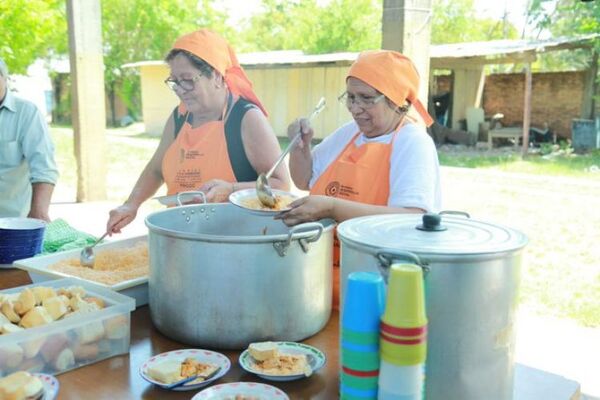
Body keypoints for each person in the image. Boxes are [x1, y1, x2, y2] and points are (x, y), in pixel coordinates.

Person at [276, 50, 442, 308]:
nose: (355, 108)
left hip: (380, 285)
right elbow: (304, 178)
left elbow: (409, 219)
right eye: (350, 97)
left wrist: (333, 208)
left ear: (396, 101)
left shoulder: (413, 142)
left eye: (366, 98)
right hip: (323, 279)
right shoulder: (349, 134)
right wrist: (300, 147)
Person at [107, 29, 289, 234]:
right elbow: (156, 169)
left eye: (188, 79)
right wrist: (131, 204)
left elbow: (280, 184)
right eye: (174, 81)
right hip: (180, 236)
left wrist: (231, 190)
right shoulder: (178, 118)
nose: (180, 89)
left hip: (235, 243)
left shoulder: (246, 118)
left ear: (217, 77)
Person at [0, 57, 59, 222]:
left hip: (11, 222)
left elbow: (43, 166)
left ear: (4, 78)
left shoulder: (26, 113)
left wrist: (38, 212)